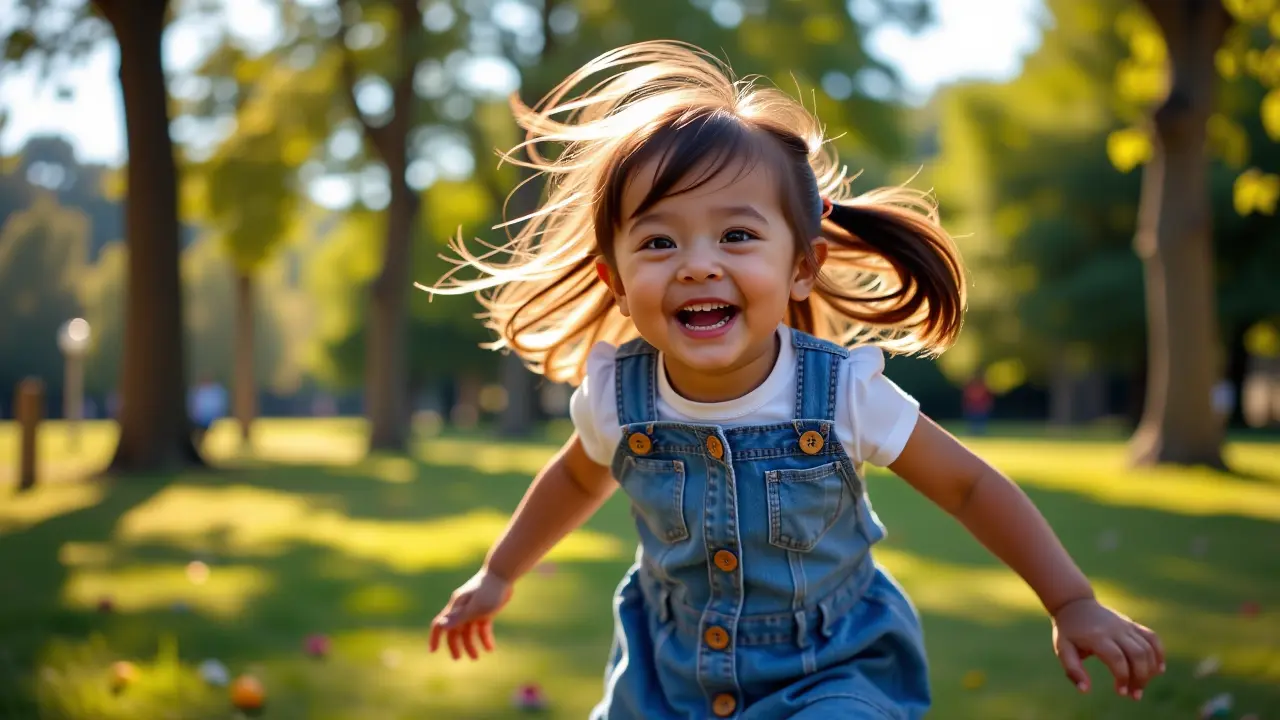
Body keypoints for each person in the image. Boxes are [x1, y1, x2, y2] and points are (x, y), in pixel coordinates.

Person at [422, 41, 1164, 719]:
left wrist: (1070, 601)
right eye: (658, 241)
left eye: (736, 235)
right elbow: (577, 481)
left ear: (800, 266)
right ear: (614, 280)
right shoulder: (617, 397)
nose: (698, 263)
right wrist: (498, 573)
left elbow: (968, 486)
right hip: (667, 680)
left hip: (835, 672)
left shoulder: (843, 393)